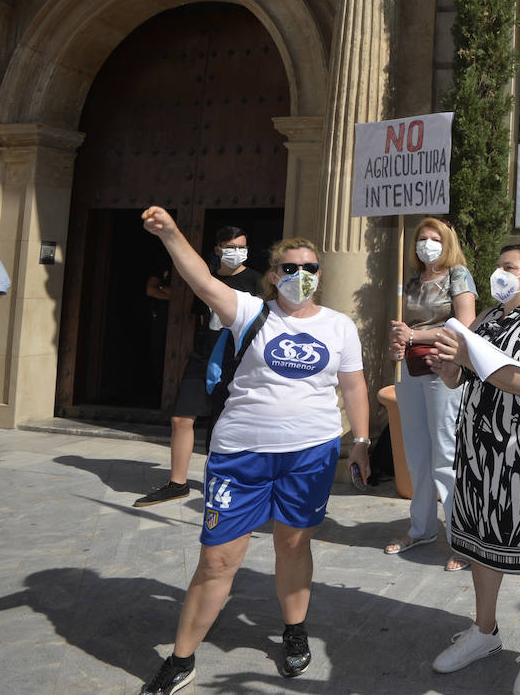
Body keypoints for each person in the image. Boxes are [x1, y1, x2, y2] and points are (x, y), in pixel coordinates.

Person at [136, 207, 371, 695]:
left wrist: (362, 442)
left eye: (310, 268)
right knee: (219, 560)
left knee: (293, 543)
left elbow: (352, 385)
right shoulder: (248, 311)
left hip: (311, 453)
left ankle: (293, 630)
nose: (300, 276)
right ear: (272, 274)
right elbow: (201, 279)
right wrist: (173, 235)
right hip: (241, 453)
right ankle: (181, 660)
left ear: (320, 276)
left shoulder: (339, 326)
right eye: (290, 267)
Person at [426, 243, 520, 695]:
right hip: (480, 449)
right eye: (498, 266)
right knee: (483, 538)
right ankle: (484, 631)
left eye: (509, 267)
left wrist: (470, 359)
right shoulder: (487, 317)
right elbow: (456, 378)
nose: (499, 273)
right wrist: (444, 359)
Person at [136, 226, 263, 508]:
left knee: (223, 422)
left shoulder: (257, 281)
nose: (237, 252)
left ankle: (217, 480)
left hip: (236, 359)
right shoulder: (206, 279)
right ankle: (177, 483)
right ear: (218, 249)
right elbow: (202, 318)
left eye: (242, 246)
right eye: (231, 246)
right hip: (203, 355)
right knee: (182, 417)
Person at [384, 218, 477, 571]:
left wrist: (414, 337)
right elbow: (400, 327)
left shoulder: (458, 275)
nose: (427, 244)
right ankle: (420, 528)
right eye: (422, 238)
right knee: (417, 452)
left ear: (447, 242)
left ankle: (462, 539)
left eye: (434, 238)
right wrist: (398, 342)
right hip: (409, 370)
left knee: (446, 454)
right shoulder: (408, 279)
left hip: (444, 368)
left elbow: (465, 326)